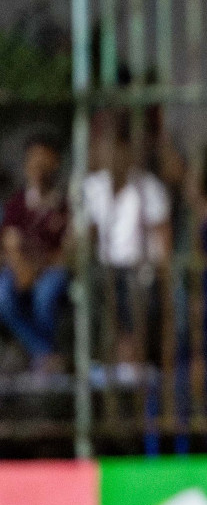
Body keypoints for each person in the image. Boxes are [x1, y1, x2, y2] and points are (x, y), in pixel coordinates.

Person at [82, 124, 170, 372]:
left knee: (137, 287)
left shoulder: (149, 187)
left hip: (140, 270)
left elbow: (163, 242)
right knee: (95, 284)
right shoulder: (92, 188)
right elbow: (83, 239)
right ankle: (112, 355)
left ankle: (133, 355)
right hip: (104, 270)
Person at [0, 135, 71, 373]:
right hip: (22, 270)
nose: (38, 166)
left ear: (56, 163)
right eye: (34, 160)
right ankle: (45, 353)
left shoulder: (65, 205)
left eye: (44, 160)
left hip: (51, 270)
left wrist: (39, 268)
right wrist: (21, 268)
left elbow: (69, 249)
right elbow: (9, 243)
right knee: (3, 295)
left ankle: (44, 359)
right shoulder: (16, 204)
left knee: (45, 294)